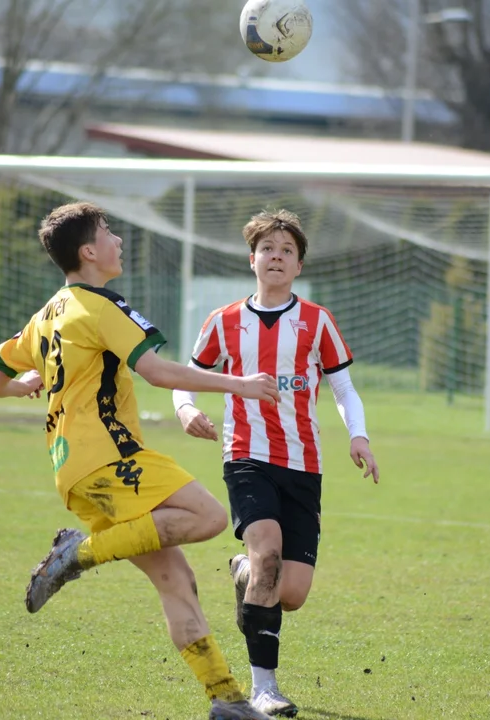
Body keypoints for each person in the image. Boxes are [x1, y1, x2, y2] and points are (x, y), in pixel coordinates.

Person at [0, 201, 278, 720]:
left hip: (71, 474)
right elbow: (158, 372)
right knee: (209, 517)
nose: (118, 239)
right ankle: (79, 554)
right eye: (108, 231)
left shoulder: (48, 313)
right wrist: (241, 385)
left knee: (176, 581)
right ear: (89, 251)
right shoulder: (101, 307)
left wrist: (27, 383)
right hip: (112, 458)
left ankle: (227, 700)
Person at [172, 209, 380, 718]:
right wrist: (185, 408)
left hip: (304, 463)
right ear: (253, 260)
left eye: (287, 250)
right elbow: (187, 375)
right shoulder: (222, 322)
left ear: (298, 265)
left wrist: (359, 436)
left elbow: (343, 386)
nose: (276, 257)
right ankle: (264, 688)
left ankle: (245, 572)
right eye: (268, 249)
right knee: (269, 555)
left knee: (290, 594)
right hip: (246, 455)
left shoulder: (317, 321)